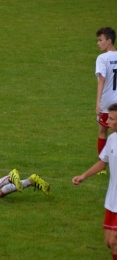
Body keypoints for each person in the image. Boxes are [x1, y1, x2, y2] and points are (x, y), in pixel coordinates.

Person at [72, 103, 117, 260]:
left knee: (114, 240)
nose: (107, 122)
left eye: (111, 119)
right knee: (108, 242)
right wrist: (83, 176)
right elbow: (102, 162)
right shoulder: (112, 139)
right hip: (112, 200)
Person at [95, 27, 117, 175]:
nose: (98, 43)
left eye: (100, 40)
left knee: (103, 131)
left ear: (109, 41)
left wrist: (98, 102)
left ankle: (101, 166)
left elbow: (102, 79)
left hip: (108, 103)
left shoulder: (102, 58)